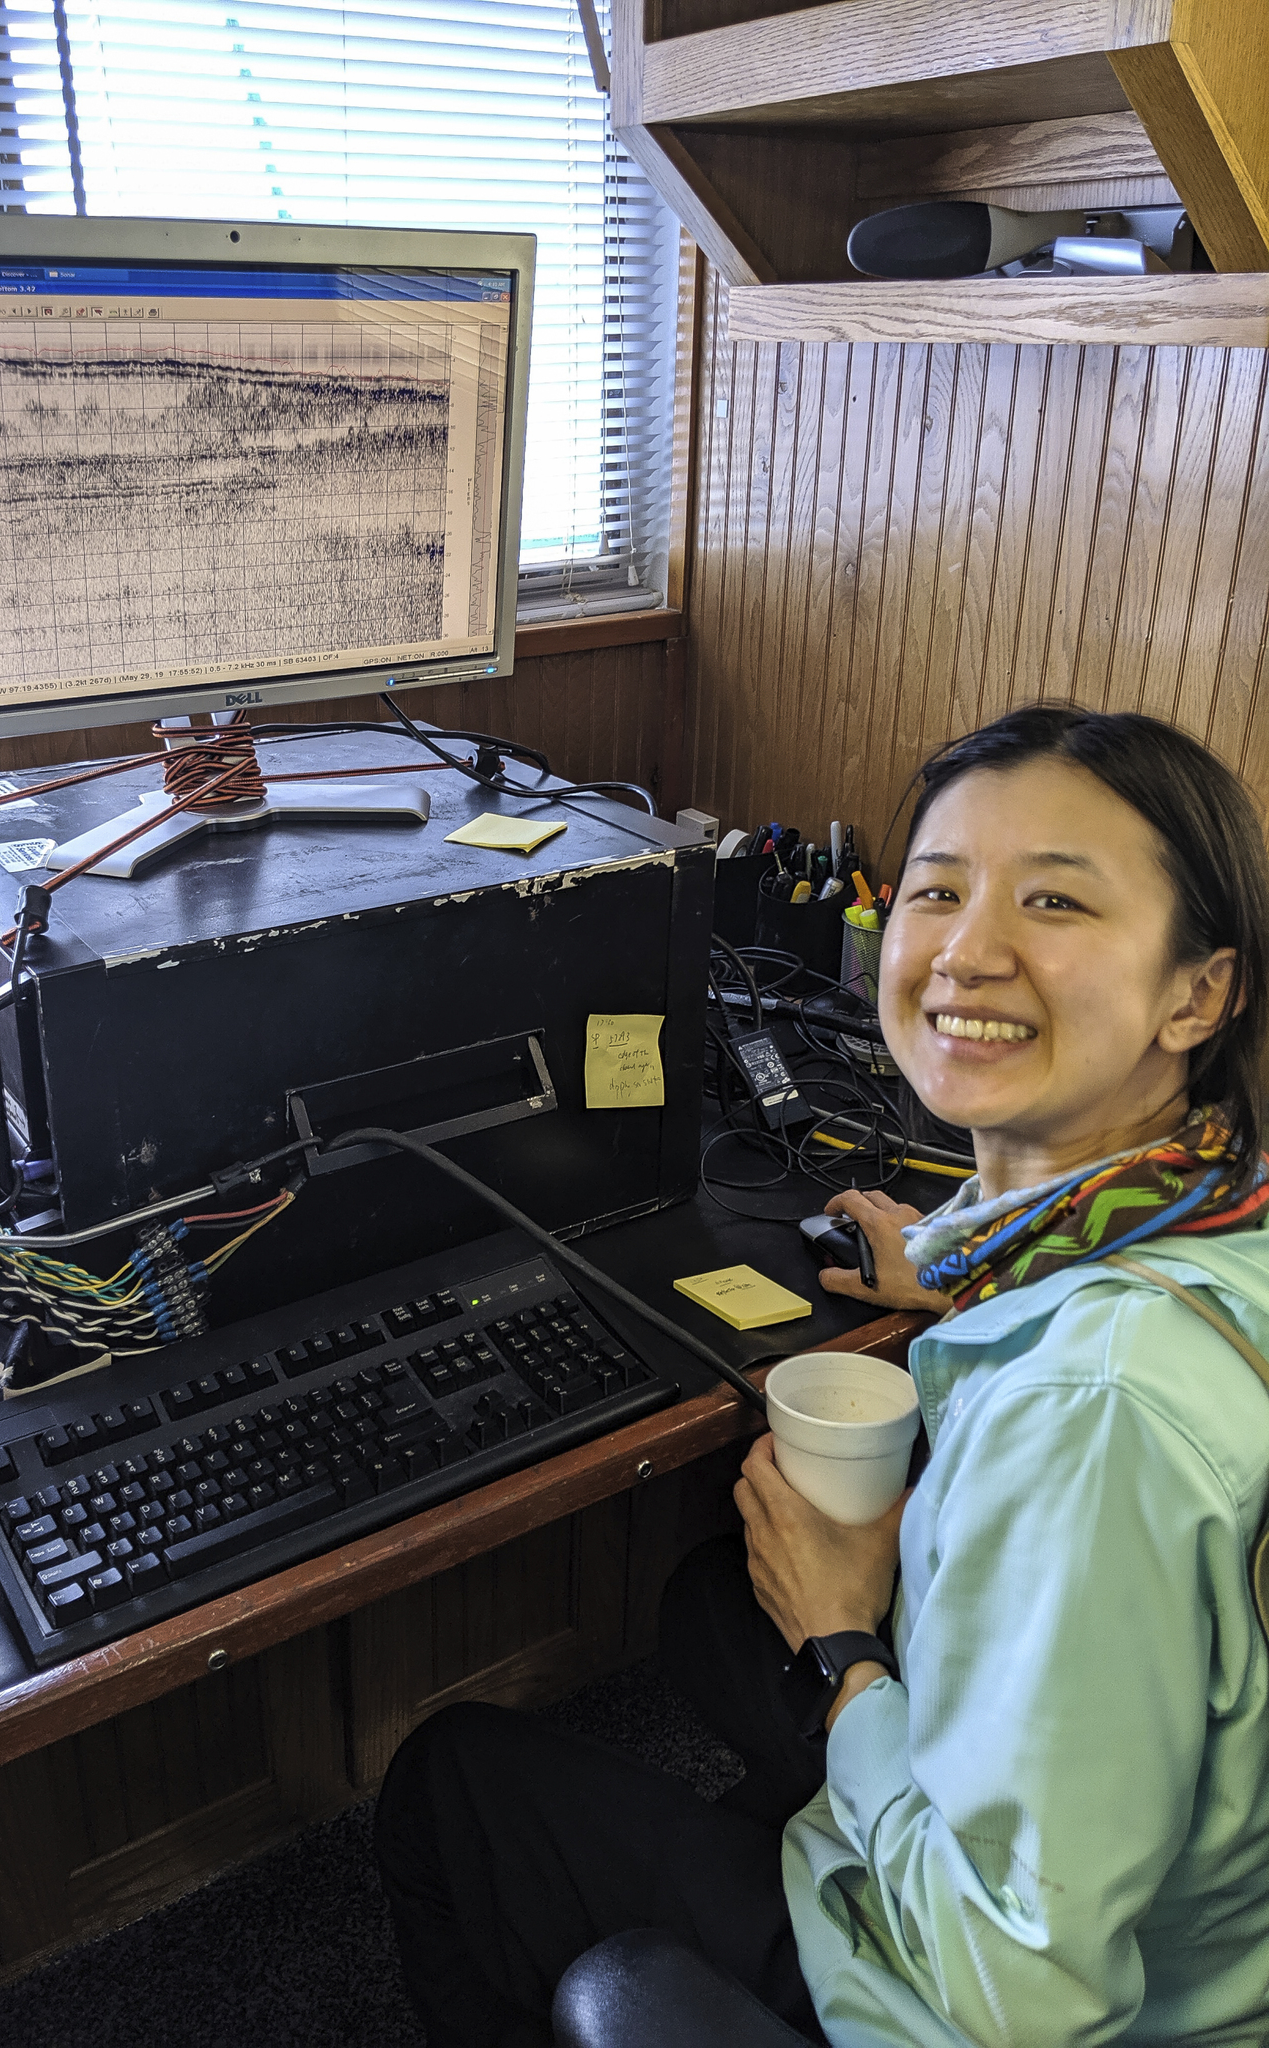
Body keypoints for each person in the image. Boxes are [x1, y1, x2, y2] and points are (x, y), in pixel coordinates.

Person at [373, 704, 1269, 2046]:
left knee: (451, 1783)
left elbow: (1029, 1996)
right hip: (1206, 1915)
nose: (969, 951)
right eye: (939, 891)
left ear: (1197, 990)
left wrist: (845, 1649)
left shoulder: (1092, 1416)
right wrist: (961, 1264)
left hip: (993, 2005)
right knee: (708, 1604)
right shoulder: (1218, 1203)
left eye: (1056, 904)